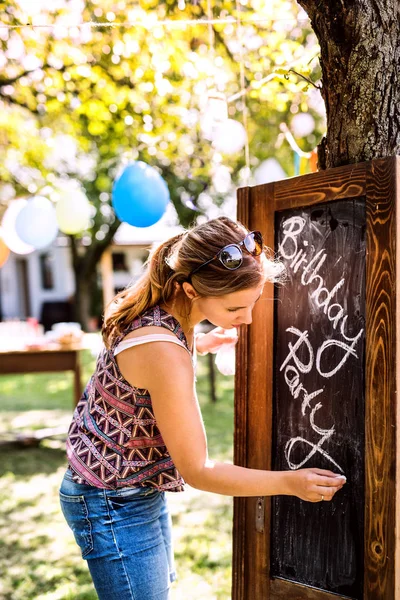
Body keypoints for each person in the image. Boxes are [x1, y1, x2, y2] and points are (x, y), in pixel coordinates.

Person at [59, 216, 346, 600]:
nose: (246, 319)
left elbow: (140, 378)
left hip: (130, 486)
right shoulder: (163, 350)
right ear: (191, 291)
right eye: (234, 308)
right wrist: (289, 483)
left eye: (253, 302)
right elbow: (198, 471)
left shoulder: (165, 312)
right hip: (111, 500)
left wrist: (199, 345)